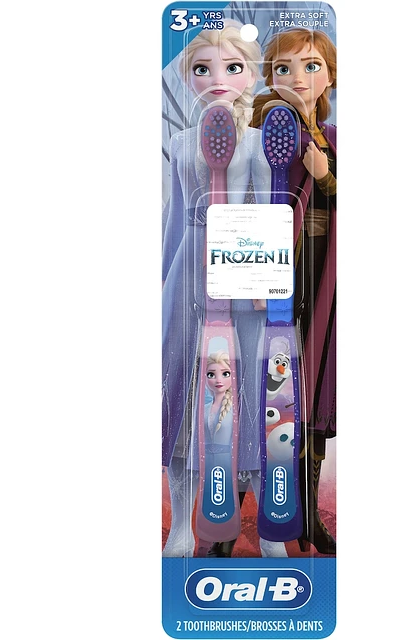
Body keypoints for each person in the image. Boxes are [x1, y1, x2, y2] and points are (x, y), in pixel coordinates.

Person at [161, 21, 286, 558]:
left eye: (232, 67)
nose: (217, 77)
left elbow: (269, 211)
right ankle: (181, 527)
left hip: (244, 271)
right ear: (187, 78)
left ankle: (271, 527)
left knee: (256, 390)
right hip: (187, 269)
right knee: (182, 390)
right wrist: (164, 279)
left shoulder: (259, 142)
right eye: (202, 68)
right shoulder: (180, 141)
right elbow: (173, 217)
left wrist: (268, 280)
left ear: (251, 76)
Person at [251, 27, 337, 554]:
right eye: (283, 68)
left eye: (311, 66)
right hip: (282, 274)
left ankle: (306, 512)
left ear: (330, 75)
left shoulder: (333, 137)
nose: (298, 78)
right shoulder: (270, 124)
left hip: (327, 275)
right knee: (271, 386)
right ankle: (259, 509)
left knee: (318, 383)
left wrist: (325, 176)